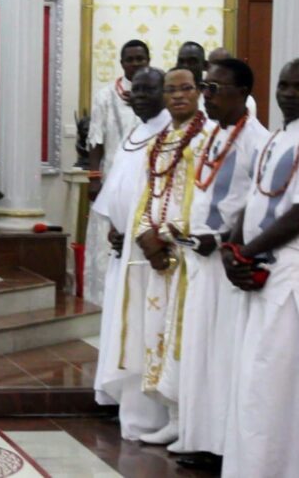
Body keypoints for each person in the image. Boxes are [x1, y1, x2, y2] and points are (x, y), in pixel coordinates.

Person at [221, 58, 299, 478]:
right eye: (284, 85)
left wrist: (246, 253)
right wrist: (231, 248)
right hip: (259, 272)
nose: (289, 93)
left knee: (278, 382)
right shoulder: (275, 138)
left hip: (292, 277)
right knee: (254, 380)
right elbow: (253, 199)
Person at [170, 58, 269, 470]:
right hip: (201, 259)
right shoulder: (212, 135)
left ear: (243, 93)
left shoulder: (258, 141)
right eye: (205, 87)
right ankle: (201, 437)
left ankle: (226, 445)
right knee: (200, 352)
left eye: (215, 89)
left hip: (229, 263)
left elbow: (262, 206)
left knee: (225, 355)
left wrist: (229, 240)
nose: (205, 96)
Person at [120, 66, 215, 446]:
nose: (178, 96)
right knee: (157, 333)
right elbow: (148, 194)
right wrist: (145, 236)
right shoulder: (160, 140)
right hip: (160, 255)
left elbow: (203, 197)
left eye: (186, 89)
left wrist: (173, 234)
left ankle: (189, 420)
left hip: (189, 255)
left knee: (185, 338)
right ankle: (171, 416)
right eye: (172, 90)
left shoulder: (207, 137)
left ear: (199, 92)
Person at [92, 66, 171, 440]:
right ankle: (120, 400)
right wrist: (114, 224)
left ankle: (147, 415)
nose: (138, 96)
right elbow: (119, 184)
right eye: (135, 90)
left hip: (147, 254)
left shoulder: (171, 133)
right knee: (121, 326)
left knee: (143, 333)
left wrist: (135, 231)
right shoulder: (136, 131)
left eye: (147, 90)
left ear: (164, 92)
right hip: (123, 249)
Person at [84, 39, 150, 304]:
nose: (135, 63)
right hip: (113, 177)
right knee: (107, 238)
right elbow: (95, 140)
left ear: (148, 60)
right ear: (122, 63)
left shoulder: (157, 94)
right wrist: (94, 177)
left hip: (147, 179)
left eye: (140, 58)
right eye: (130, 59)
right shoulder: (105, 95)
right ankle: (102, 297)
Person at [207, 46, 258, 118]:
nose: (216, 69)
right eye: (213, 64)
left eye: (223, 65)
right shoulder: (204, 94)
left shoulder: (248, 101)